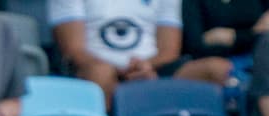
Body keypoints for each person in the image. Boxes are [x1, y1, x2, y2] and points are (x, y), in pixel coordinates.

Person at [51, 0, 233, 110]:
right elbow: (74, 50)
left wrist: (146, 66)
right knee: (100, 72)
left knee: (217, 69)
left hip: (152, 67)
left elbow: (169, 50)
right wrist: (117, 71)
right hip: (96, 68)